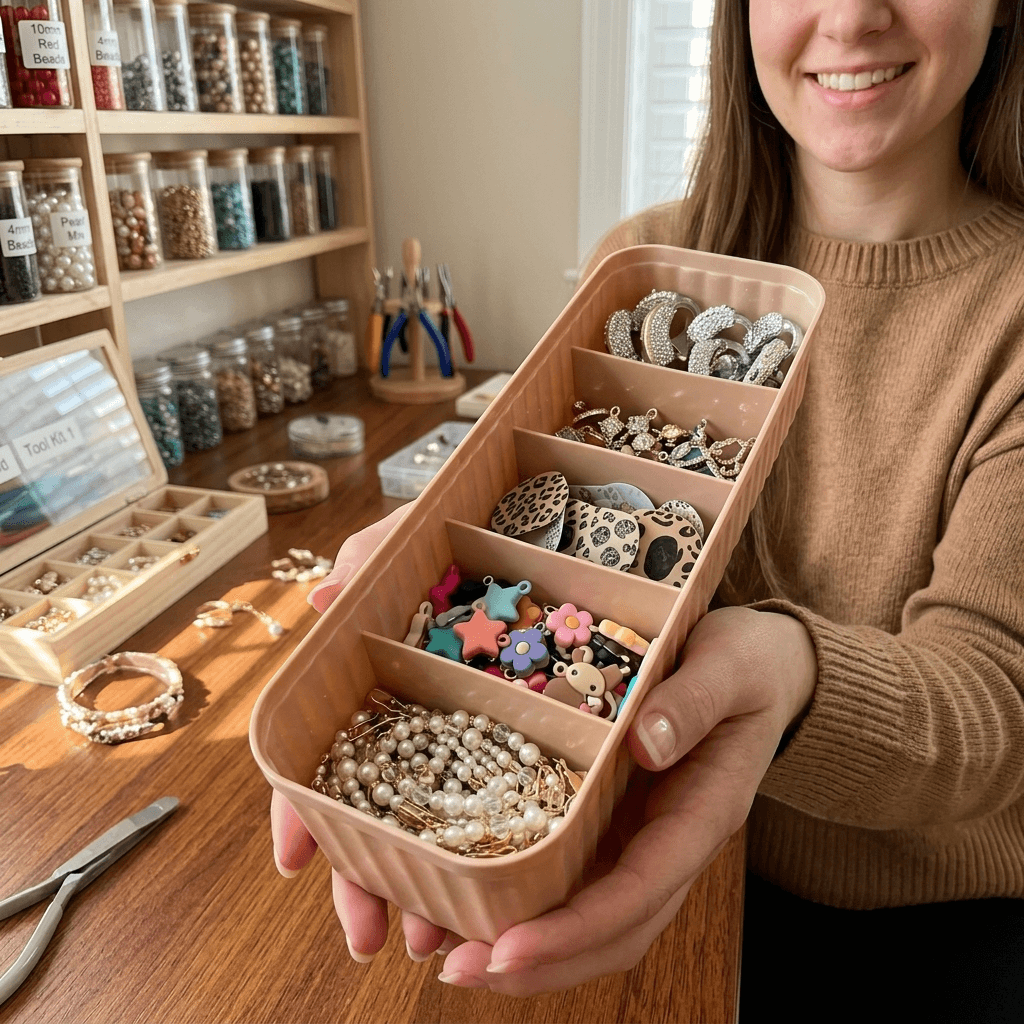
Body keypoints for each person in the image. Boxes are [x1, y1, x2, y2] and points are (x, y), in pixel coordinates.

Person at [272, 0, 1024, 1015]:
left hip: (925, 920)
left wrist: (790, 679)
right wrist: (432, 539)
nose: (851, 17)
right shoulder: (642, 261)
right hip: (619, 828)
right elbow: (530, 497)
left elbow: (990, 705)